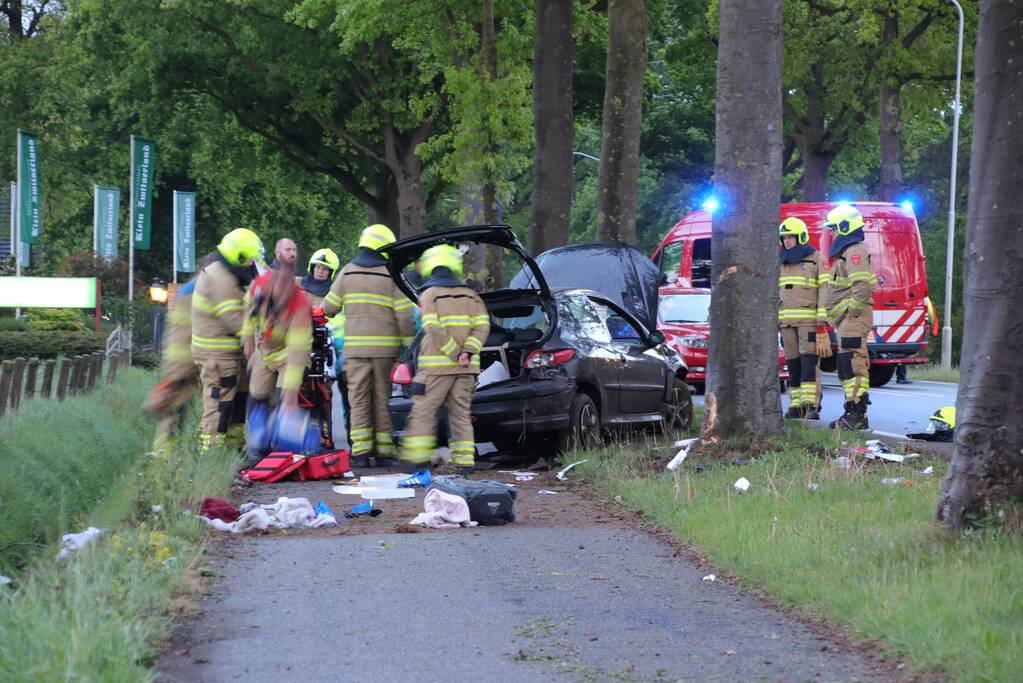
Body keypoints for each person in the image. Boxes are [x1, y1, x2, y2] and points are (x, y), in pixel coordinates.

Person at [323, 224, 416, 467]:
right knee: (382, 398)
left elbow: (328, 308)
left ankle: (361, 453)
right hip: (385, 352)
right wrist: (407, 348)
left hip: (355, 352)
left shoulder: (348, 272)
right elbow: (405, 316)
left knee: (359, 399)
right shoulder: (390, 275)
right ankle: (384, 452)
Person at [400, 244, 490, 472]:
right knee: (460, 414)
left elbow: (432, 327)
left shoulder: (429, 294)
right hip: (466, 369)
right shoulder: (472, 296)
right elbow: (482, 328)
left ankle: (416, 460)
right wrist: (467, 352)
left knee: (423, 410)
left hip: (437, 369)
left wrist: (453, 352)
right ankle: (464, 462)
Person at [192, 228, 264, 449]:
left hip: (230, 353)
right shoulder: (220, 279)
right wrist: (260, 339)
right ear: (238, 256)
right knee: (219, 401)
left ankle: (234, 447)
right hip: (218, 355)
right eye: (248, 259)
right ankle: (211, 451)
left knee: (238, 400)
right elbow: (236, 319)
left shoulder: (228, 271)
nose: (250, 264)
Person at [242, 264, 313, 459]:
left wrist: (289, 397)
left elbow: (298, 354)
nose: (282, 298)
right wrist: (247, 339)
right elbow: (249, 312)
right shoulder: (260, 287)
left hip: (288, 354)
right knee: (256, 397)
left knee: (284, 398)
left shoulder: (300, 304)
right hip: (264, 351)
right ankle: (258, 445)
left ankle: (283, 448)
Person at [821, 205, 877, 430]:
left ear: (845, 227)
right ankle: (852, 412)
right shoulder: (847, 253)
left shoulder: (854, 251)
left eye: (834, 229)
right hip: (846, 321)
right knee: (846, 366)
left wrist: (851, 312)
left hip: (852, 319)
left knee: (854, 365)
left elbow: (862, 286)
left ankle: (857, 414)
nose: (832, 233)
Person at [778, 217, 827, 420]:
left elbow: (825, 288)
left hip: (809, 322)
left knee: (809, 363)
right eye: (784, 238)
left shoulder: (816, 258)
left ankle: (811, 405)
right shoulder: (781, 262)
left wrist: (822, 316)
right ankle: (796, 404)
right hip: (787, 324)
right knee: (794, 364)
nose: (787, 241)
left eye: (790, 237)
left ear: (801, 237)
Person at [143, 278, 199, 456]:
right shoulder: (194, 297)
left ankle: (165, 453)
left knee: (175, 412)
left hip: (178, 366)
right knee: (176, 411)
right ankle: (165, 453)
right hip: (183, 368)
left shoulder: (186, 294)